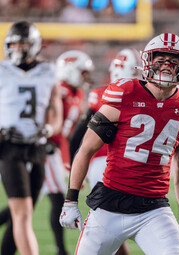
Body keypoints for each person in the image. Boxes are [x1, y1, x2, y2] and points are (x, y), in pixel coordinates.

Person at [59, 33, 179, 255]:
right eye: (161, 61)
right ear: (148, 63)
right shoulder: (124, 93)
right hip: (109, 206)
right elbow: (86, 149)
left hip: (153, 209)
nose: (167, 67)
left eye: (174, 62)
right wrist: (70, 200)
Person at [69, 48, 141, 255]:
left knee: (112, 226)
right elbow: (79, 137)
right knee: (112, 224)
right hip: (113, 165)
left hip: (106, 166)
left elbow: (77, 137)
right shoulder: (114, 95)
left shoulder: (103, 94)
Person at [0, 21, 63, 255]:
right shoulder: (2, 70)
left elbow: (56, 110)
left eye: (23, 43)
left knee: (26, 211)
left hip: (37, 146)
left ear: (34, 45)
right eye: (13, 43)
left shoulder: (47, 71)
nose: (17, 48)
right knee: (22, 212)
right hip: (9, 146)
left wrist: (49, 129)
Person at [43, 49, 94, 255]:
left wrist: (70, 161)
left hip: (54, 151)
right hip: (44, 150)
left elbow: (69, 135)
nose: (85, 77)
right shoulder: (57, 89)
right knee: (51, 200)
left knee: (23, 206)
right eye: (82, 72)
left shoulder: (77, 93)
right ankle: (61, 250)